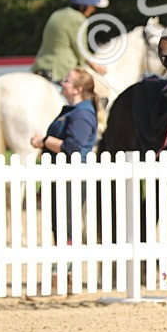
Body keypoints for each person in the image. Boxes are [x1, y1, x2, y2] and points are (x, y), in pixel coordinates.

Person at [30, 68, 100, 241]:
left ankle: (68, 258)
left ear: (78, 89)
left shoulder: (82, 114)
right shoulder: (73, 111)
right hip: (62, 176)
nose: (62, 83)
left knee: (66, 228)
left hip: (71, 178)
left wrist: (44, 141)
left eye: (67, 81)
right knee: (59, 227)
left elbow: (71, 148)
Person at [31, 0, 110, 83]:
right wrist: (96, 65)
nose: (93, 10)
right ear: (83, 6)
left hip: (41, 65)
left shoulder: (57, 13)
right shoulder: (78, 19)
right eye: (92, 6)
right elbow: (81, 50)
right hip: (61, 70)